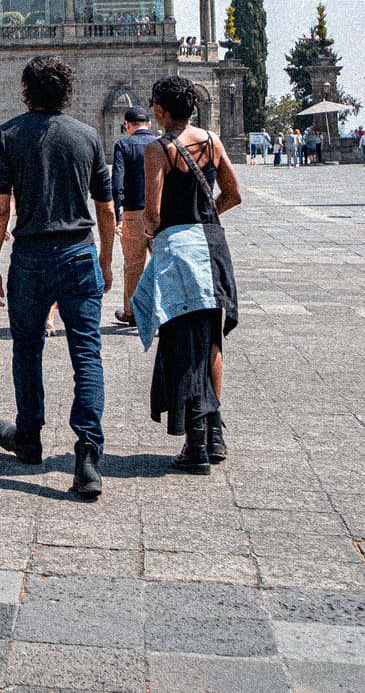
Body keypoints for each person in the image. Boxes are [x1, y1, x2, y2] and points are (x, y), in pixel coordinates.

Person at [0, 55, 115, 499]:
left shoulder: (7, 136)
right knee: (87, 354)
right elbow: (106, 208)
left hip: (31, 256)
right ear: (66, 94)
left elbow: (0, 206)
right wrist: (108, 261)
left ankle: (30, 436)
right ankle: (88, 455)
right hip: (80, 254)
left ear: (26, 91)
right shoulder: (88, 137)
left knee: (27, 348)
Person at [135, 74, 243, 474]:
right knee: (211, 339)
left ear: (161, 110)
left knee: (182, 340)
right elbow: (233, 193)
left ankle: (195, 442)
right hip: (213, 247)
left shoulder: (158, 150)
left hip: (180, 251)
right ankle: (215, 433)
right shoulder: (212, 142)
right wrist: (206, 217)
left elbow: (152, 211)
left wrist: (151, 236)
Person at [111, 107, 159, 326]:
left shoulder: (123, 145)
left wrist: (118, 213)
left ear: (128, 126)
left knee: (133, 265)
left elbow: (117, 182)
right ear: (149, 125)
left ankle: (131, 312)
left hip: (133, 212)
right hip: (161, 213)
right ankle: (162, 312)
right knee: (161, 264)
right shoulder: (161, 144)